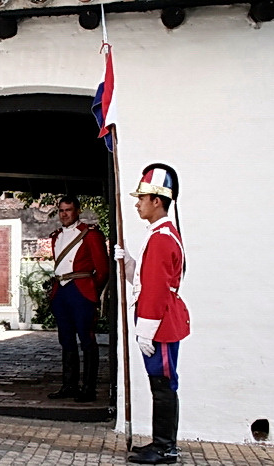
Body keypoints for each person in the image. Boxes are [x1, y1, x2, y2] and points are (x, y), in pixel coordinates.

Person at [115, 163, 190, 464]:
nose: (136, 204)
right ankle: (162, 444)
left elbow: (158, 291)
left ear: (156, 200)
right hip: (159, 319)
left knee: (163, 383)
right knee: (160, 382)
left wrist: (145, 330)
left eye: (141, 198)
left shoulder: (161, 238)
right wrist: (130, 264)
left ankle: (164, 447)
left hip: (159, 323)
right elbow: (150, 281)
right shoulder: (160, 234)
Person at [47, 195, 109, 403]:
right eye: (61, 210)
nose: (64, 214)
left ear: (77, 211)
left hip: (80, 290)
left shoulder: (90, 235)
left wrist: (91, 290)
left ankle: (88, 388)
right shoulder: (56, 236)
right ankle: (69, 385)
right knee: (66, 340)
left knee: (87, 339)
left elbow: (102, 269)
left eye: (69, 210)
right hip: (62, 290)